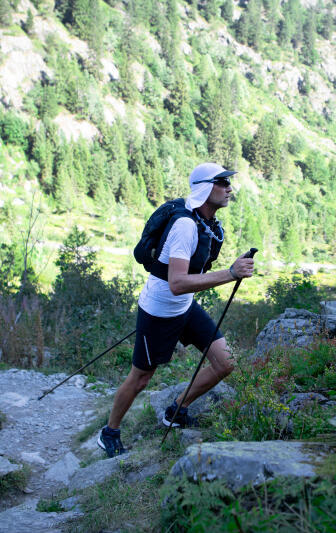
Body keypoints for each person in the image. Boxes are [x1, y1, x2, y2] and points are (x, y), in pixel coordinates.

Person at [97, 163, 254, 457]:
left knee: (226, 363)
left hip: (183, 308)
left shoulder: (205, 220)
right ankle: (110, 432)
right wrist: (231, 273)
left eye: (228, 182)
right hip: (159, 311)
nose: (229, 188)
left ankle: (176, 409)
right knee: (141, 378)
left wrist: (230, 270)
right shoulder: (184, 226)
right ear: (206, 188)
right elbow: (177, 283)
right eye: (222, 182)